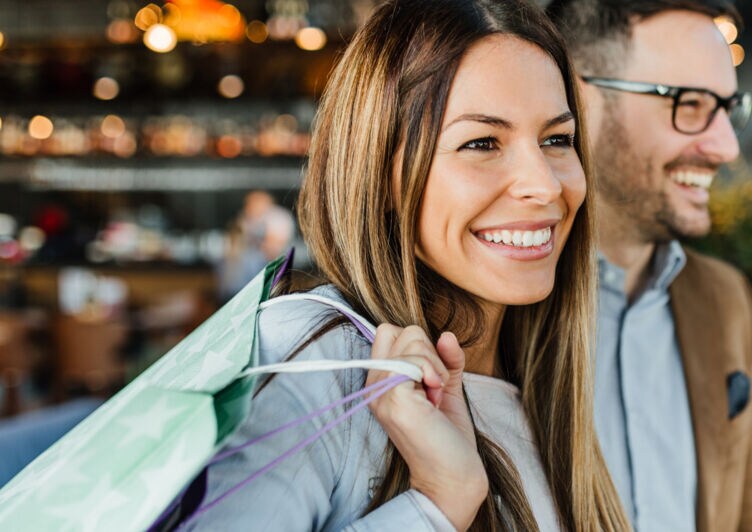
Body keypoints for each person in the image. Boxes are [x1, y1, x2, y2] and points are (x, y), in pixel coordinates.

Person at [184, 0, 629, 530]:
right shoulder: (314, 361)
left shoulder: (550, 372)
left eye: (557, 139)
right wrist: (437, 503)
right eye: (482, 142)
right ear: (381, 176)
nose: (546, 185)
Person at [547, 1, 752, 531]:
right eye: (689, 104)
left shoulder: (726, 298)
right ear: (577, 98)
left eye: (727, 108)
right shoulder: (492, 311)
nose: (727, 147)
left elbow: (744, 512)